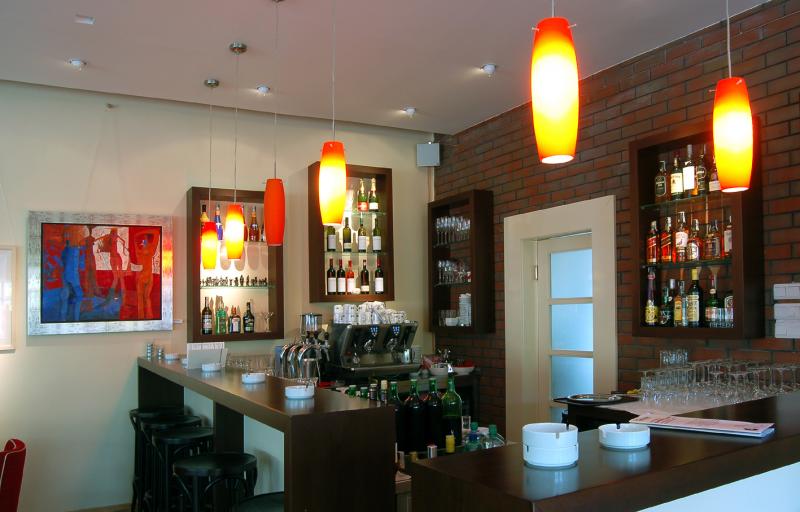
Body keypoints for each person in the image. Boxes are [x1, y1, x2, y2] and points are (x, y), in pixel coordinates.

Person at [133, 228, 160, 319]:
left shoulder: (149, 248)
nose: (143, 241)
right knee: (143, 298)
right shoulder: (147, 248)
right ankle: (146, 317)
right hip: (143, 276)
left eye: (144, 239)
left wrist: (140, 233)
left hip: (145, 276)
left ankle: (146, 317)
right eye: (143, 239)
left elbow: (156, 232)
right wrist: (139, 235)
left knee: (143, 297)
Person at [59, 230, 84, 322]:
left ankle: (67, 319)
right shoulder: (73, 250)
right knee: (73, 296)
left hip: (69, 276)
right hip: (71, 277)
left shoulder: (70, 250)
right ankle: (72, 320)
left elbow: (78, 265)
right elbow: (78, 266)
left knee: (68, 297)